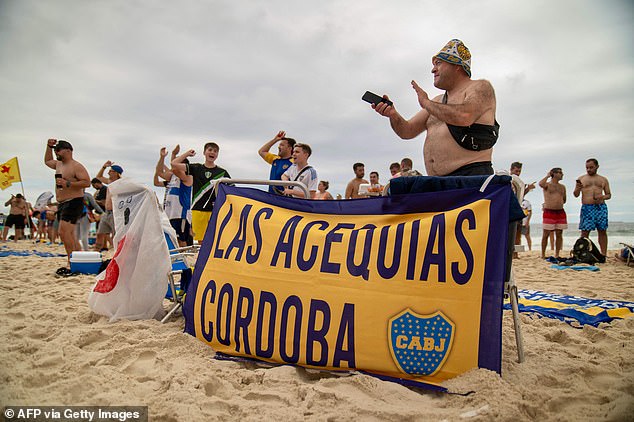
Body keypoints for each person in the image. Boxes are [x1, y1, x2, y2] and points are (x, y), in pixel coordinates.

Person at [372, 39, 498, 177]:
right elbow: (407, 131)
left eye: (438, 63)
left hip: (471, 178)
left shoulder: (480, 87)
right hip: (439, 182)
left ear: (457, 65)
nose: (433, 69)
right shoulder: (437, 101)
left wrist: (425, 102)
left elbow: (464, 116)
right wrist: (393, 114)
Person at [44, 139, 91, 271]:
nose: (56, 152)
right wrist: (49, 146)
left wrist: (68, 184)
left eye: (58, 150)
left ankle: (71, 261)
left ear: (68, 150)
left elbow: (87, 183)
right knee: (69, 234)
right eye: (55, 150)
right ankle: (79, 259)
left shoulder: (76, 166)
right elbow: (47, 161)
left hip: (74, 201)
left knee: (63, 232)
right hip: (62, 203)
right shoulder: (58, 164)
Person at [172, 142, 230, 243]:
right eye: (210, 150)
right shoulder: (196, 168)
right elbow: (174, 164)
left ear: (217, 155)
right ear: (204, 152)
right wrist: (187, 154)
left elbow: (232, 189)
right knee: (201, 242)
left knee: (215, 241)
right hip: (197, 210)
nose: (212, 152)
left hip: (214, 210)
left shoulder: (222, 172)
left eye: (215, 151)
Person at [155, 146, 193, 247]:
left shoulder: (187, 177)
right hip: (169, 213)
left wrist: (174, 155)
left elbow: (174, 167)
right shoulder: (172, 176)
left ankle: (185, 260)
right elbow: (159, 172)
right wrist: (162, 157)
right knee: (172, 239)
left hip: (180, 214)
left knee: (182, 240)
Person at [573, 158, 611, 256]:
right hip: (587, 207)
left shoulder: (603, 179)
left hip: (600, 207)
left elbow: (609, 195)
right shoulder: (582, 178)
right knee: (585, 231)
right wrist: (577, 188)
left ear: (597, 167)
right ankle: (582, 253)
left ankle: (603, 254)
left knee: (602, 231)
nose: (589, 169)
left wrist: (602, 197)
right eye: (587, 168)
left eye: (591, 167)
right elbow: (576, 194)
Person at [94, 162, 123, 252]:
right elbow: (98, 177)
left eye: (111, 171)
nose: (108, 172)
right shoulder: (110, 182)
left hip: (115, 213)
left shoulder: (121, 183)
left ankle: (117, 253)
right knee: (100, 233)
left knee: (116, 235)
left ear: (116, 173)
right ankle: (96, 252)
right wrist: (104, 167)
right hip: (107, 212)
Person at [539, 168, 567, 259]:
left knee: (559, 233)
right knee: (546, 233)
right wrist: (548, 175)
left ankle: (557, 253)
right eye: (560, 173)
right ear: (554, 174)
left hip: (560, 212)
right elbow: (541, 184)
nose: (562, 174)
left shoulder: (562, 187)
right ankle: (543, 254)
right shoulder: (547, 185)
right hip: (549, 212)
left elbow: (564, 199)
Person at [258, 130, 295, 194]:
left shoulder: (294, 162)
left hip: (284, 198)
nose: (278, 147)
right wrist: (275, 140)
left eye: (282, 145)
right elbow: (261, 151)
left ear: (289, 148)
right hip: (271, 196)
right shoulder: (275, 159)